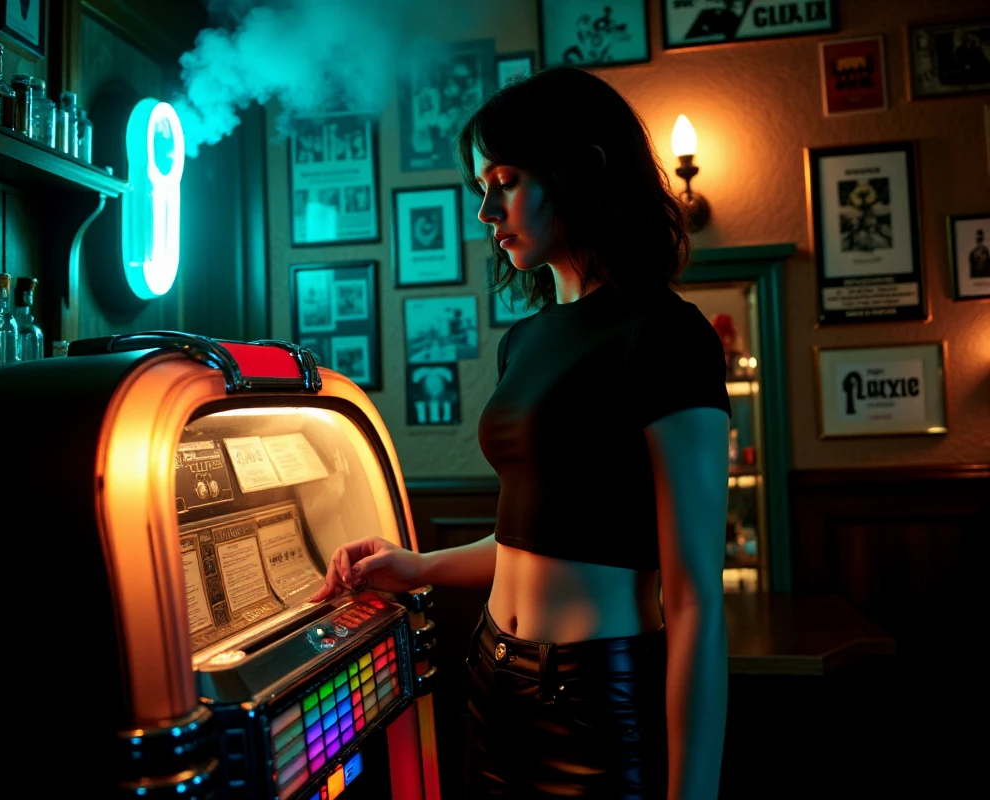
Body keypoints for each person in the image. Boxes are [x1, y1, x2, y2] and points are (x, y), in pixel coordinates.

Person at [310, 66, 731, 799]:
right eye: (481, 187)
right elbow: (536, 541)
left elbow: (695, 598)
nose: (485, 211)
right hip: (489, 681)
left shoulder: (665, 335)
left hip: (596, 703)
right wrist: (418, 565)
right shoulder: (525, 341)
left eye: (504, 179)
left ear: (580, 173)